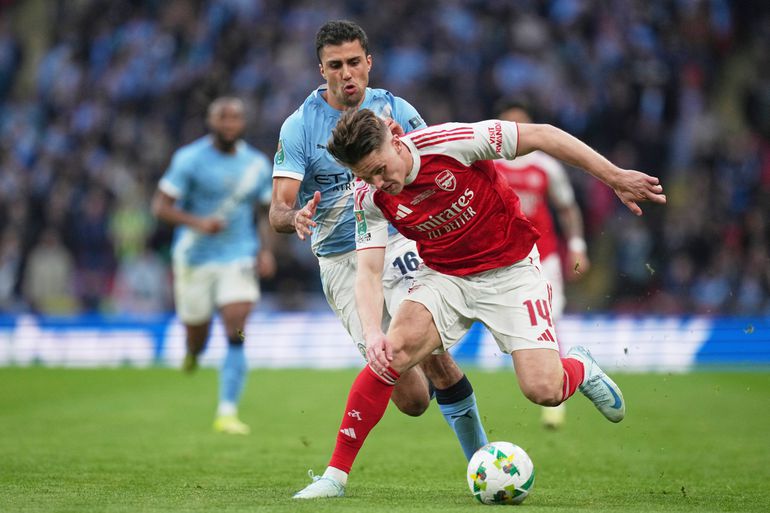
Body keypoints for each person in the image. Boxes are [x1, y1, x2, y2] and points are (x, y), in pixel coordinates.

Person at [291, 108, 666, 498]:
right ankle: (334, 477)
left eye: (380, 169)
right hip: (444, 277)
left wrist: (615, 177)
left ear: (396, 140)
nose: (378, 182)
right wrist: (372, 332)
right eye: (366, 176)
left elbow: (543, 134)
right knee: (390, 353)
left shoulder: (452, 142)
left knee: (544, 390)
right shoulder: (369, 195)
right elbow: (368, 271)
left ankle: (580, 368)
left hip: (510, 270)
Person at [269, 20, 488, 497]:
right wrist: (295, 217)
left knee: (437, 359)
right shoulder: (300, 125)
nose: (346, 74)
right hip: (341, 258)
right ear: (321, 69)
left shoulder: (396, 109)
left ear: (369, 62)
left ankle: (484, 467)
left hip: (398, 241)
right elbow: (277, 210)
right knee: (411, 399)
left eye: (354, 62)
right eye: (335, 65)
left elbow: (436, 165)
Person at [151, 97, 275, 435]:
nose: (229, 124)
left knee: (236, 325)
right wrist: (198, 223)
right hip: (195, 258)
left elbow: (264, 212)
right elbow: (160, 206)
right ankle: (193, 352)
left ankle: (227, 411)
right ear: (211, 122)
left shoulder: (256, 164)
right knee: (198, 336)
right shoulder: (189, 159)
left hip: (239, 255)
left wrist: (265, 251)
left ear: (243, 123)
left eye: (235, 118)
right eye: (223, 118)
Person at [494, 100, 590, 429]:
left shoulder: (546, 166)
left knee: (549, 321)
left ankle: (555, 397)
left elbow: (567, 208)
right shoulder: (488, 163)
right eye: (510, 124)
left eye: (521, 123)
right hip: (501, 259)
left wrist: (577, 246)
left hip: (543, 256)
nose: (516, 131)